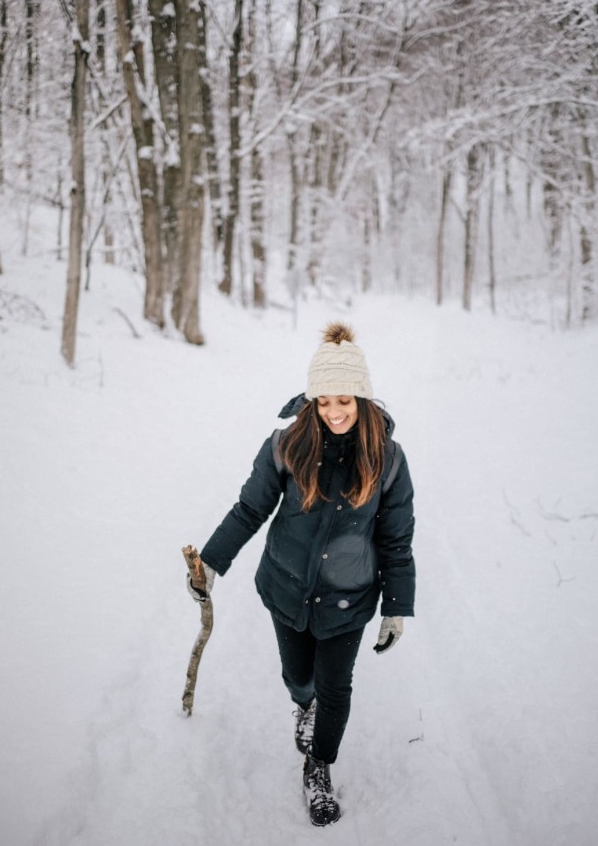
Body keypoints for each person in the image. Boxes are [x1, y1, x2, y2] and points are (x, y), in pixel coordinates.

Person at [187, 322, 415, 826]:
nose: (335, 412)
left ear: (363, 399)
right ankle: (302, 703)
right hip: (286, 588)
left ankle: (319, 766)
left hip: (348, 598)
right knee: (298, 677)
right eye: (325, 401)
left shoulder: (389, 460)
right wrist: (211, 562)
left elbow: (397, 541)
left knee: (337, 687)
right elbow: (250, 510)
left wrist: (396, 607)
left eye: (346, 401)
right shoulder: (286, 446)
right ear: (311, 401)